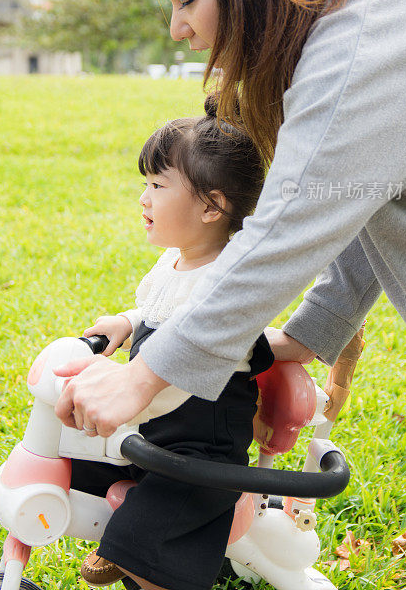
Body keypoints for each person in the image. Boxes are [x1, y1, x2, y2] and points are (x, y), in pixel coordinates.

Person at [55, 0, 406, 488]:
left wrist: (143, 376)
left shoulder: (356, 50)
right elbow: (364, 193)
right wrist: (311, 333)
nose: (180, 28)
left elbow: (284, 233)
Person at [68, 100, 274, 590]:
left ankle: (147, 569)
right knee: (77, 462)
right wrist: (127, 320)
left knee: (150, 539)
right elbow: (160, 314)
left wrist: (118, 386)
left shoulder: (225, 287)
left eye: (158, 186)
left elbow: (182, 368)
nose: (144, 198)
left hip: (200, 450)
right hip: (156, 429)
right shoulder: (175, 262)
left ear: (211, 207)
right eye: (146, 184)